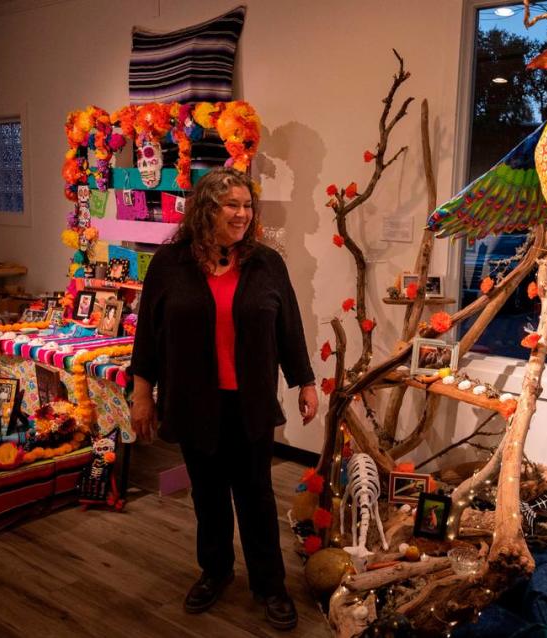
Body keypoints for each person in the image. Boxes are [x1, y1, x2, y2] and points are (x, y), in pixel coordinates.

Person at [129, 167, 317, 631]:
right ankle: (214, 572)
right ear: (205, 210)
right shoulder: (170, 264)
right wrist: (142, 393)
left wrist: (305, 382)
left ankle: (270, 585)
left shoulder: (266, 263)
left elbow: (288, 327)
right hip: (194, 402)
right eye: (230, 205)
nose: (241, 214)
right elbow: (147, 339)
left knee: (255, 497)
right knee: (209, 498)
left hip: (248, 403)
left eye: (247, 206)